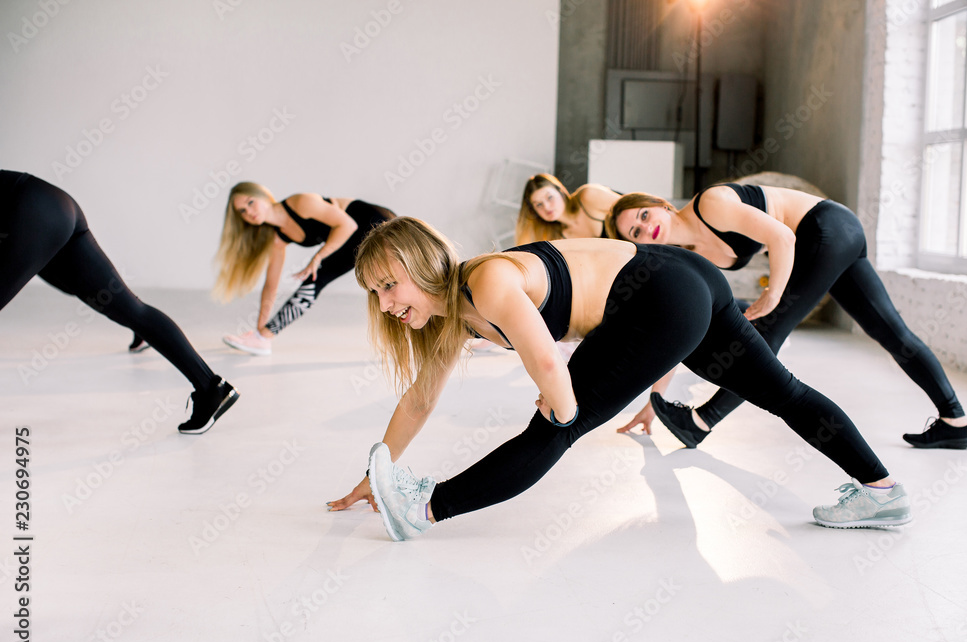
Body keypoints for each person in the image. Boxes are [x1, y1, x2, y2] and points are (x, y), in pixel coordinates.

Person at [327, 216, 912, 541]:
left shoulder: (488, 282)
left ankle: (426, 509)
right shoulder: (453, 315)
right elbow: (418, 401)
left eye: (387, 285)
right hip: (684, 282)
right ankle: (882, 492)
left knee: (555, 427)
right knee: (782, 393)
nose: (383, 305)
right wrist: (372, 473)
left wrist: (561, 409)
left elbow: (552, 368)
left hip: (661, 294)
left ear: (423, 264)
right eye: (373, 294)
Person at [606, 186, 967, 450]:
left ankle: (701, 422)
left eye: (643, 214)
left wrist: (774, 294)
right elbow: (681, 331)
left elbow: (782, 236)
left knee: (767, 332)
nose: (645, 226)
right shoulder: (691, 257)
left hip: (826, 226)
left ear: (659, 204)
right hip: (835, 239)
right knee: (890, 331)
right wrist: (655, 403)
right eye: (635, 232)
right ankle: (955, 421)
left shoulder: (712, 203)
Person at [0, 170, 238, 434]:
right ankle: (211, 388)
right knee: (126, 307)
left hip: (30, 209)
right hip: (56, 205)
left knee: (112, 302)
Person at [186, 182, 394, 355]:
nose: (249, 212)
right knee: (326, 281)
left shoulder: (300, 202)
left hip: (375, 222)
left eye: (251, 202)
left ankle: (264, 337)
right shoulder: (277, 238)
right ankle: (263, 337)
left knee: (325, 278)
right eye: (242, 211)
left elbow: (347, 225)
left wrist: (318, 257)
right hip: (354, 235)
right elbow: (271, 285)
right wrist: (259, 327)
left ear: (264, 197)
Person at [515, 174, 619, 245]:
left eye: (550, 197)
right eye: (538, 204)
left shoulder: (588, 196)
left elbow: (632, 206)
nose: (546, 207)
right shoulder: (557, 241)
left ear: (561, 192)